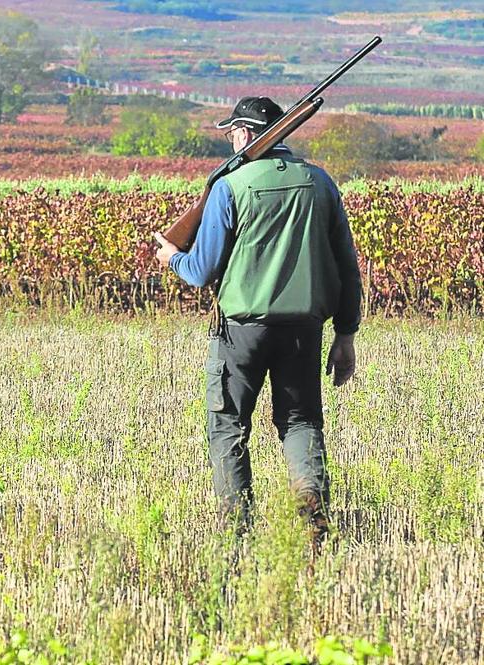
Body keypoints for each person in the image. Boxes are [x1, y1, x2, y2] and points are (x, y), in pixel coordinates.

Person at [153, 96, 362, 549]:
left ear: (246, 135)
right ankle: (311, 514)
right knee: (301, 422)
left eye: (232, 134)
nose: (230, 141)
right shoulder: (320, 183)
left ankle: (237, 530)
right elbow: (347, 266)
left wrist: (172, 257)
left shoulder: (231, 186)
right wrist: (346, 334)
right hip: (305, 330)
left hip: (241, 333)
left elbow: (200, 271)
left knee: (228, 423)